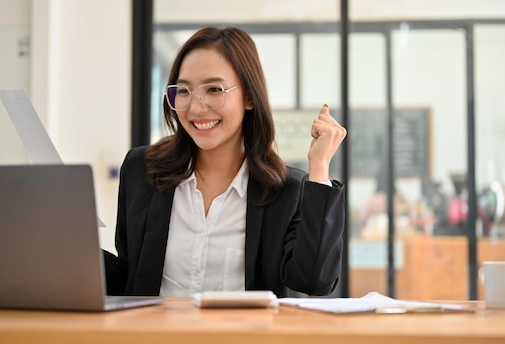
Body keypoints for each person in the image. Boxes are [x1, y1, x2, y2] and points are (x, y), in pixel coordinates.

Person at [103, 26, 347, 298]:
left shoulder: (287, 190)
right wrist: (66, 244)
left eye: (214, 89)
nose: (196, 108)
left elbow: (315, 281)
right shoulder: (141, 170)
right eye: (184, 91)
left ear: (250, 98)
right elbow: (129, 274)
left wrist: (320, 165)